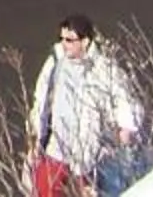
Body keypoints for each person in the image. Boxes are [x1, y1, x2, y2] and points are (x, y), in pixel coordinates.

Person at [24, 12, 145, 197]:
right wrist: (35, 138)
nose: (64, 44)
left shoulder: (103, 69)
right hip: (55, 148)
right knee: (43, 191)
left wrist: (126, 128)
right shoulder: (56, 63)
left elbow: (125, 99)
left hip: (87, 152)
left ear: (85, 41)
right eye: (62, 38)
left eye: (70, 40)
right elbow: (41, 100)